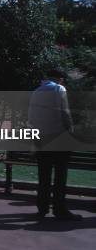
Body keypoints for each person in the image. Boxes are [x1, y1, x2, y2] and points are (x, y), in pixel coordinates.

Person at [28, 68, 82, 221]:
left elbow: (31, 118)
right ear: (60, 79)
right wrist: (70, 131)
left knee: (43, 176)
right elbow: (65, 112)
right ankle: (60, 209)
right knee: (60, 175)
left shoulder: (36, 91)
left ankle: (42, 208)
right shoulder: (59, 89)